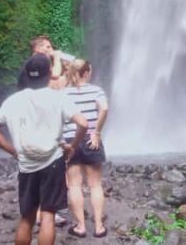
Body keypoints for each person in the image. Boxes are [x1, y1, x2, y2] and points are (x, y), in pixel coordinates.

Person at [0, 54, 88, 245]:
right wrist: (72, 146)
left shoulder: (13, 101)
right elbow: (83, 123)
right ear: (50, 74)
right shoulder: (58, 98)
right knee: (48, 215)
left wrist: (14, 151)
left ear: (27, 75)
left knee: (27, 218)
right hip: (53, 163)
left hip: (26, 166)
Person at [62, 59, 109, 238]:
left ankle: (80, 226)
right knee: (95, 184)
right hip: (91, 139)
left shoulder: (63, 93)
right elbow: (104, 109)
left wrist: (61, 141)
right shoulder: (96, 90)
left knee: (74, 185)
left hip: (70, 140)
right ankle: (98, 226)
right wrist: (96, 131)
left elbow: (58, 117)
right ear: (87, 72)